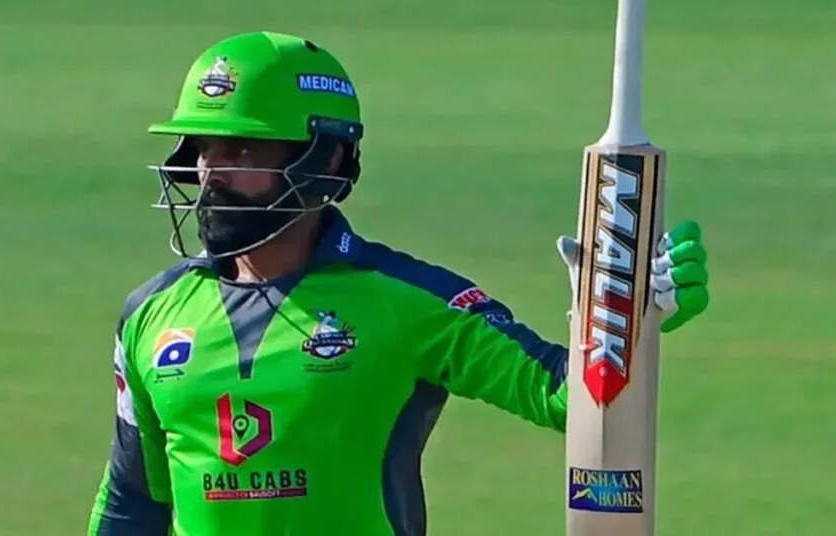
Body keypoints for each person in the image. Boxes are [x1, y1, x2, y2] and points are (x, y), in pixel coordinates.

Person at [87, 31, 710, 536]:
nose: (211, 174)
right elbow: (132, 502)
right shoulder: (152, 316)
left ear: (324, 159)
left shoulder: (408, 303)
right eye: (204, 149)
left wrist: (627, 317)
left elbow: (565, 398)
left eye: (243, 153)